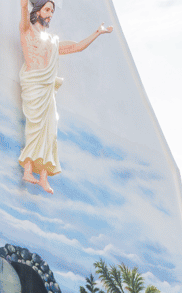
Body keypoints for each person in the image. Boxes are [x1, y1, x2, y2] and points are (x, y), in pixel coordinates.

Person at [16, 0, 115, 194]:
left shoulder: (53, 41)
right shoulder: (27, 30)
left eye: (52, 11)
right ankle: (28, 170)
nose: (50, 14)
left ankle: (44, 177)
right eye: (47, 9)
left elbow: (76, 47)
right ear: (36, 11)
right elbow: (22, 8)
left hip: (48, 91)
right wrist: (24, 5)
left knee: (50, 131)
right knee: (34, 128)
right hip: (34, 86)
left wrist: (97, 32)